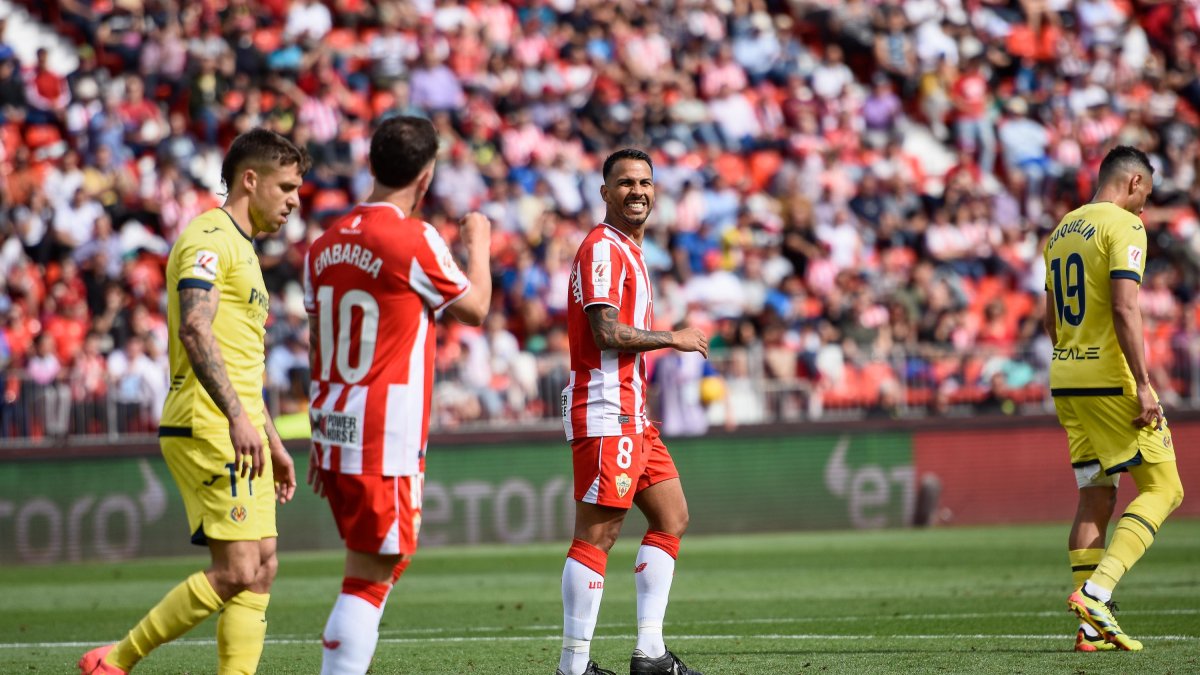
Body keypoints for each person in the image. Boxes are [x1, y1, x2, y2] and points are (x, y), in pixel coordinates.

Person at [79, 128, 308, 674]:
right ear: (250, 180)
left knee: (263, 566)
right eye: (287, 186)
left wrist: (272, 438)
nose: (295, 200)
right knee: (236, 567)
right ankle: (113, 662)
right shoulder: (208, 237)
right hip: (209, 423)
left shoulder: (247, 252)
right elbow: (196, 332)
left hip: (240, 426)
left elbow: (242, 361)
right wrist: (237, 419)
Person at [304, 115, 492, 675]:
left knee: (380, 565)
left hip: (336, 428)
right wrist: (478, 243)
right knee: (369, 576)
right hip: (383, 437)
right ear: (426, 177)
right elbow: (476, 309)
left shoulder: (323, 245)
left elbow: (320, 346)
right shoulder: (413, 238)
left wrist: (321, 438)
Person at [557, 149, 707, 675]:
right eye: (624, 183)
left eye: (644, 182)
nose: (637, 191)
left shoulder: (630, 249)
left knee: (673, 517)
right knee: (597, 536)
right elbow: (604, 332)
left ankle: (649, 653)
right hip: (605, 408)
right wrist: (675, 338)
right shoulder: (601, 248)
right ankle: (573, 666)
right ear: (604, 193)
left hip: (634, 413)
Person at [1044, 145, 1185, 652]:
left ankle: (1088, 633)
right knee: (1165, 489)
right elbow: (1126, 307)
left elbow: (1051, 319)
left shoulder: (1061, 231)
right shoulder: (1123, 227)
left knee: (1096, 494)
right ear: (1132, 182)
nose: (1146, 206)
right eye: (1146, 192)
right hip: (1111, 380)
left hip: (1067, 378)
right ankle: (1097, 595)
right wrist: (1144, 383)